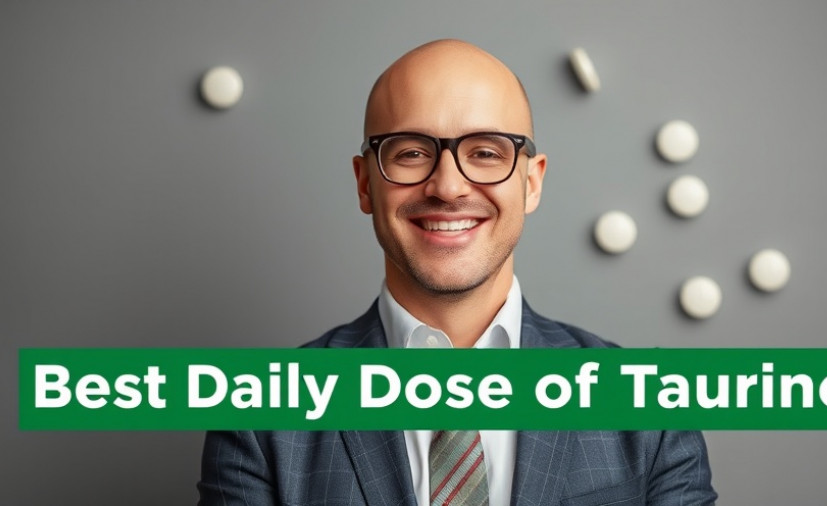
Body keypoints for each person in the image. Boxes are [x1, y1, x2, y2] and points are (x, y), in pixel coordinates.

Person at [198, 39, 716, 506]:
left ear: (531, 183)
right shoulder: (258, 421)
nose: (448, 186)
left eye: (486, 152)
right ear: (365, 184)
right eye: (410, 152)